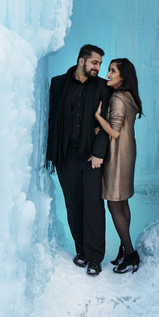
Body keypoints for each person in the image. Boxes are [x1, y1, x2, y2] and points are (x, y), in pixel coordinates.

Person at [45, 44, 113, 276]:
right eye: (95, 62)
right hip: (66, 155)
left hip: (91, 156)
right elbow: (53, 118)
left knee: (93, 205)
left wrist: (98, 153)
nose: (98, 67)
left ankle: (95, 257)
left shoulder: (104, 88)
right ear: (81, 61)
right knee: (73, 204)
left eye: (100, 64)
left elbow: (106, 125)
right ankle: (82, 251)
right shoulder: (58, 84)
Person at [95, 58, 143, 274]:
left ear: (123, 77)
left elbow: (114, 131)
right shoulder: (130, 97)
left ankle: (131, 254)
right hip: (128, 151)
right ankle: (125, 249)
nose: (107, 74)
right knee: (122, 202)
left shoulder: (116, 97)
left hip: (117, 154)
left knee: (114, 204)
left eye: (112, 71)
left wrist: (98, 118)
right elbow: (121, 126)